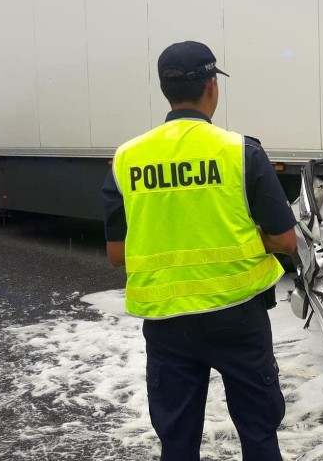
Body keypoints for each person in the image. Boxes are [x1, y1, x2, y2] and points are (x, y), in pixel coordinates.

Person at [101, 40, 297, 461]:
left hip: (166, 321)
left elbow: (117, 254)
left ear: (165, 90)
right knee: (259, 435)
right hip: (237, 315)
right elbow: (284, 241)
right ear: (213, 86)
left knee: (177, 441)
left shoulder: (126, 159)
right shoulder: (240, 151)